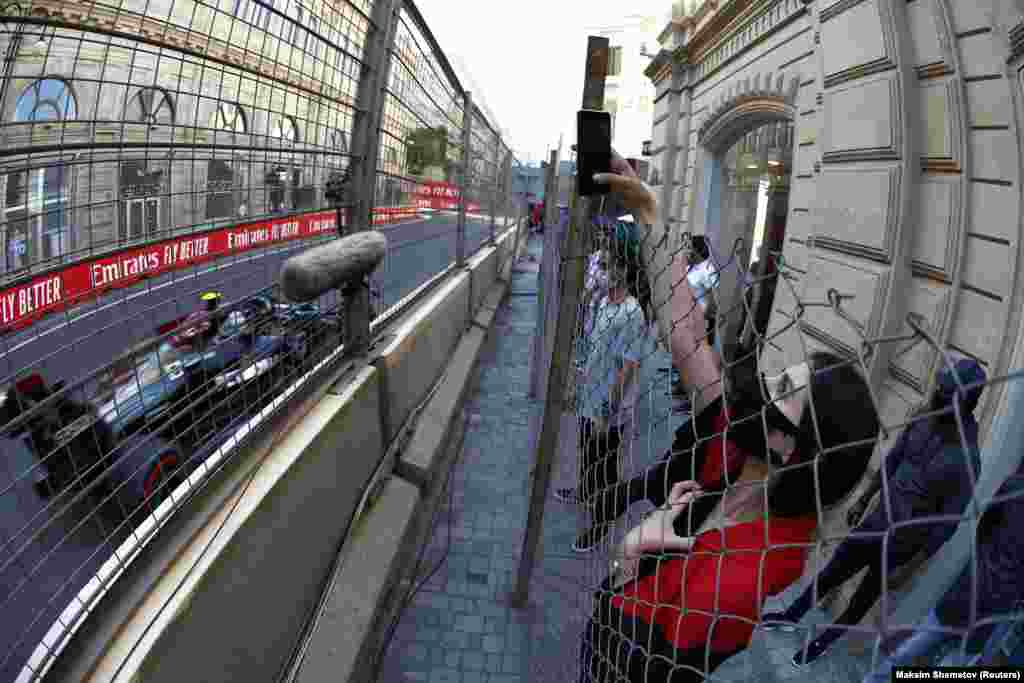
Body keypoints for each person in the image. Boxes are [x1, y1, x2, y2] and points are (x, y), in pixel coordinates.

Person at [574, 152, 881, 682]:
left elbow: (649, 662)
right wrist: (649, 215)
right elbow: (685, 334)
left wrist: (630, 552)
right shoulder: (743, 450)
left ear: (794, 446)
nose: (768, 380)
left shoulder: (746, 574)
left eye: (784, 388)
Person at [762, 357, 987, 667]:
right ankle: (791, 616)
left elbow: (947, 524)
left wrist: (909, 569)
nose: (936, 394)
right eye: (939, 387)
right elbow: (894, 459)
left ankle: (823, 642)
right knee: (833, 571)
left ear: (963, 404)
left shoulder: (967, 459)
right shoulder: (924, 416)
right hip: (877, 520)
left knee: (862, 599)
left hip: (902, 544)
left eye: (945, 393)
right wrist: (864, 498)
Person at [860, 462, 1024, 681]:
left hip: (997, 612)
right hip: (968, 592)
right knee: (908, 650)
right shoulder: (1014, 488)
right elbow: (984, 527)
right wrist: (983, 566)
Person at [557, 253, 649, 526]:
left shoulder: (632, 312)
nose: (600, 271)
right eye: (601, 265)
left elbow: (628, 366)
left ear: (624, 270)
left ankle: (603, 516)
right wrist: (579, 386)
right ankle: (584, 491)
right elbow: (593, 348)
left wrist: (607, 409)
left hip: (610, 402)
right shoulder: (604, 303)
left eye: (607, 266)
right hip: (591, 393)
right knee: (586, 449)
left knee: (605, 460)